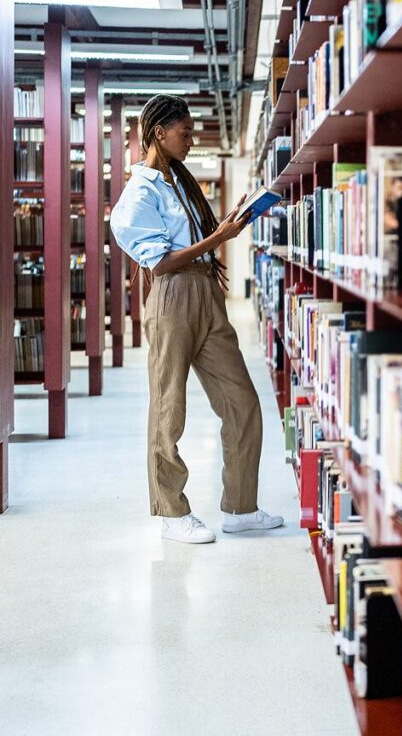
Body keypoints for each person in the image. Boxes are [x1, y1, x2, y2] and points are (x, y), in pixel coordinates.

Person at [110, 94, 283, 544]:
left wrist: (225, 227)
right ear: (158, 133)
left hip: (208, 293)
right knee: (170, 407)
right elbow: (160, 263)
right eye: (184, 133)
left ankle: (241, 507)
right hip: (173, 298)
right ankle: (171, 513)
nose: (190, 140)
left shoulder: (181, 183)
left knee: (242, 401)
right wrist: (218, 239)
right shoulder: (137, 195)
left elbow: (193, 241)